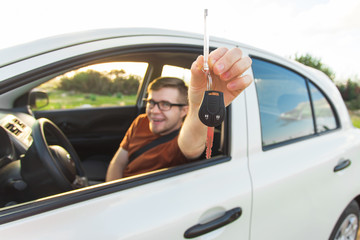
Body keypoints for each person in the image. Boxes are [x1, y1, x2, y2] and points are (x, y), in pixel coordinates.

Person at [106, 47, 253, 181]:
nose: (154, 110)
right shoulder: (141, 121)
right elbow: (118, 163)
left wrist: (199, 107)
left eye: (165, 104)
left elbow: (192, 145)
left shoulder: (181, 141)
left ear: (184, 110)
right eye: (151, 102)